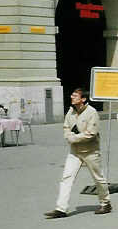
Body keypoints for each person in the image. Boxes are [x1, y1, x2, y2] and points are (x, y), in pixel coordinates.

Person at [44, 88, 112, 218]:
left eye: (75, 95)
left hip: (90, 152)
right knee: (66, 178)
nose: (71, 97)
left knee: (98, 178)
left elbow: (91, 134)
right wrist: (68, 135)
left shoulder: (92, 113)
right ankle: (61, 209)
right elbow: (66, 127)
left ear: (83, 99)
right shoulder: (71, 111)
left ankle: (106, 203)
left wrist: (73, 138)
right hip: (75, 152)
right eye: (72, 94)